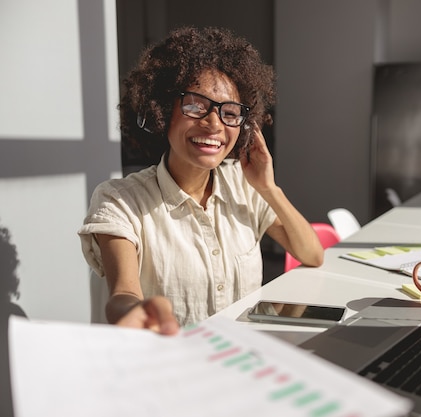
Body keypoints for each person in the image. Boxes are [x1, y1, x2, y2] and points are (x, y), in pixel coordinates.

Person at [79, 26, 324, 327]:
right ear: (163, 109)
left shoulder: (244, 185)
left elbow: (312, 254)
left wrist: (268, 187)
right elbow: (124, 293)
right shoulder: (120, 200)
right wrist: (135, 313)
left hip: (242, 357)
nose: (214, 124)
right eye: (195, 105)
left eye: (230, 112)